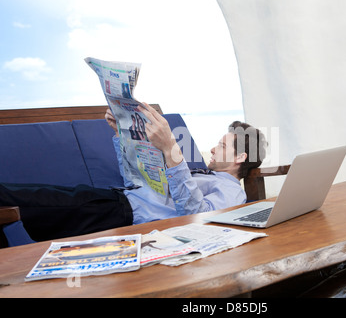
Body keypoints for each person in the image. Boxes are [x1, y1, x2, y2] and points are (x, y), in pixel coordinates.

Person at [0, 103, 267, 241]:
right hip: (112, 200)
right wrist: (121, 136)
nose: (211, 148)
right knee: (24, 196)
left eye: (221, 146)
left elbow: (195, 216)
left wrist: (171, 151)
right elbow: (134, 181)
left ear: (240, 158)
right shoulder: (201, 174)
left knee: (24, 200)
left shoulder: (232, 193)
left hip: (116, 213)